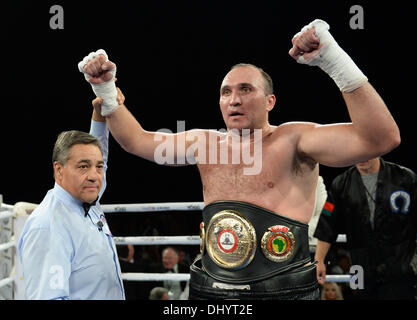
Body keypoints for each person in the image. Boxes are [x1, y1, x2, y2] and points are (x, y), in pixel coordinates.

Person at [77, 19, 400, 299]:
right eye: (226, 91)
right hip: (210, 288)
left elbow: (382, 138)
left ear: (270, 100)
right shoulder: (205, 142)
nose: (234, 100)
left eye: (246, 89)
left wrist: (333, 61)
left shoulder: (295, 139)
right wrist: (105, 89)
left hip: (284, 290)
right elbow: (137, 141)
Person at [17, 92, 126, 299]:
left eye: (98, 167)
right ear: (59, 170)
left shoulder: (87, 198)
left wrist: (100, 116)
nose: (94, 176)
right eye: (83, 166)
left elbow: (100, 153)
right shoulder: (49, 225)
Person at [314, 157, 417, 299]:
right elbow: (327, 224)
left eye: (366, 153)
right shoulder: (341, 184)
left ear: (376, 149)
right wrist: (319, 260)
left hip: (401, 266)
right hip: (362, 269)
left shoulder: (405, 178)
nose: (361, 157)